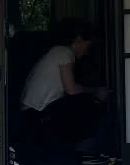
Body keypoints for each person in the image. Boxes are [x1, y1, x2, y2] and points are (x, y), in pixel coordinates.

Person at [20, 19, 108, 152]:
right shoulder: (64, 52)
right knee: (86, 104)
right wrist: (96, 92)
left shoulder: (57, 52)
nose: (86, 53)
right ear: (78, 40)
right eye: (87, 47)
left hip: (34, 110)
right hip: (35, 112)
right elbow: (71, 89)